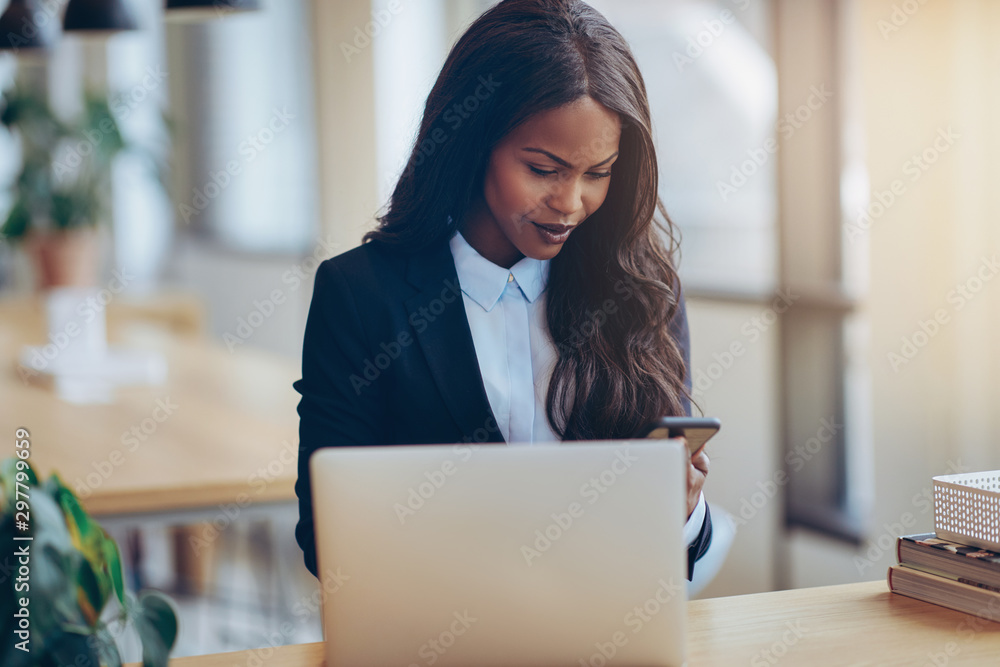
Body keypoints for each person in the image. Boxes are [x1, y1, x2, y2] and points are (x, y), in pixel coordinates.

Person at [293, 0, 712, 581]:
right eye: (543, 169)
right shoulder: (362, 295)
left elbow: (681, 549)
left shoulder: (643, 293)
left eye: (598, 173)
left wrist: (685, 509)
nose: (570, 203)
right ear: (472, 142)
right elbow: (325, 537)